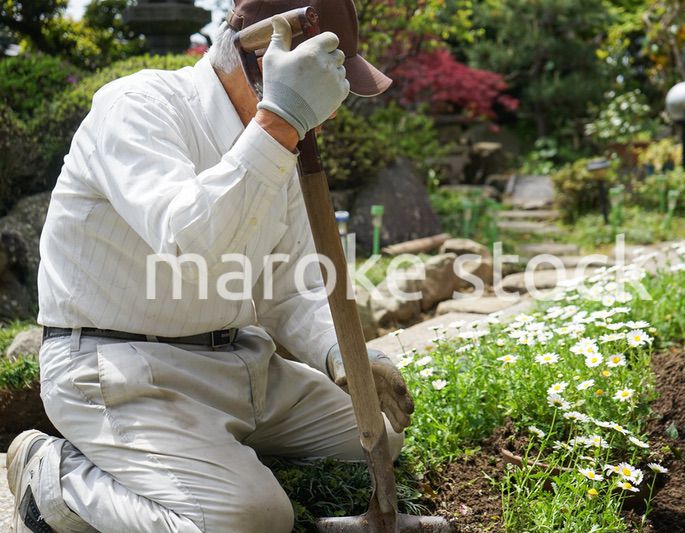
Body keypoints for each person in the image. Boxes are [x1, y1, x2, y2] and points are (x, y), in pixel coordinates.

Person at [6, 0, 413, 531]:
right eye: (322, 84)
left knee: (379, 432)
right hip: (122, 369)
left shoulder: (281, 139)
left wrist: (342, 354)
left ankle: (203, 460)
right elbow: (188, 244)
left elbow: (289, 286)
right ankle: (56, 479)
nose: (331, 110)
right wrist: (279, 124)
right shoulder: (138, 106)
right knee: (251, 521)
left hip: (237, 364)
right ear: (265, 62)